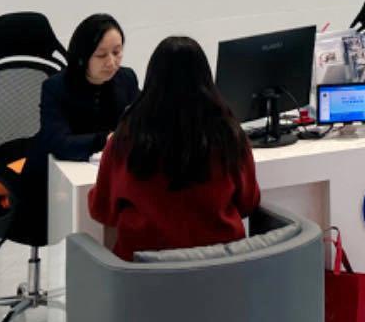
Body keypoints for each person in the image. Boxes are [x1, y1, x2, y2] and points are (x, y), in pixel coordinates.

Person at [87, 36, 260, 261]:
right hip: (221, 268)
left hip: (144, 271)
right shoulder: (229, 135)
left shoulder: (126, 139)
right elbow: (248, 203)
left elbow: (102, 210)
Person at [38, 13, 141, 162]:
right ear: (82, 57)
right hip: (58, 169)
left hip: (108, 165)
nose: (111, 62)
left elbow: (143, 122)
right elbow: (58, 143)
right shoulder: (55, 87)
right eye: (101, 55)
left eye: (116, 52)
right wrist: (105, 140)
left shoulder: (126, 79)